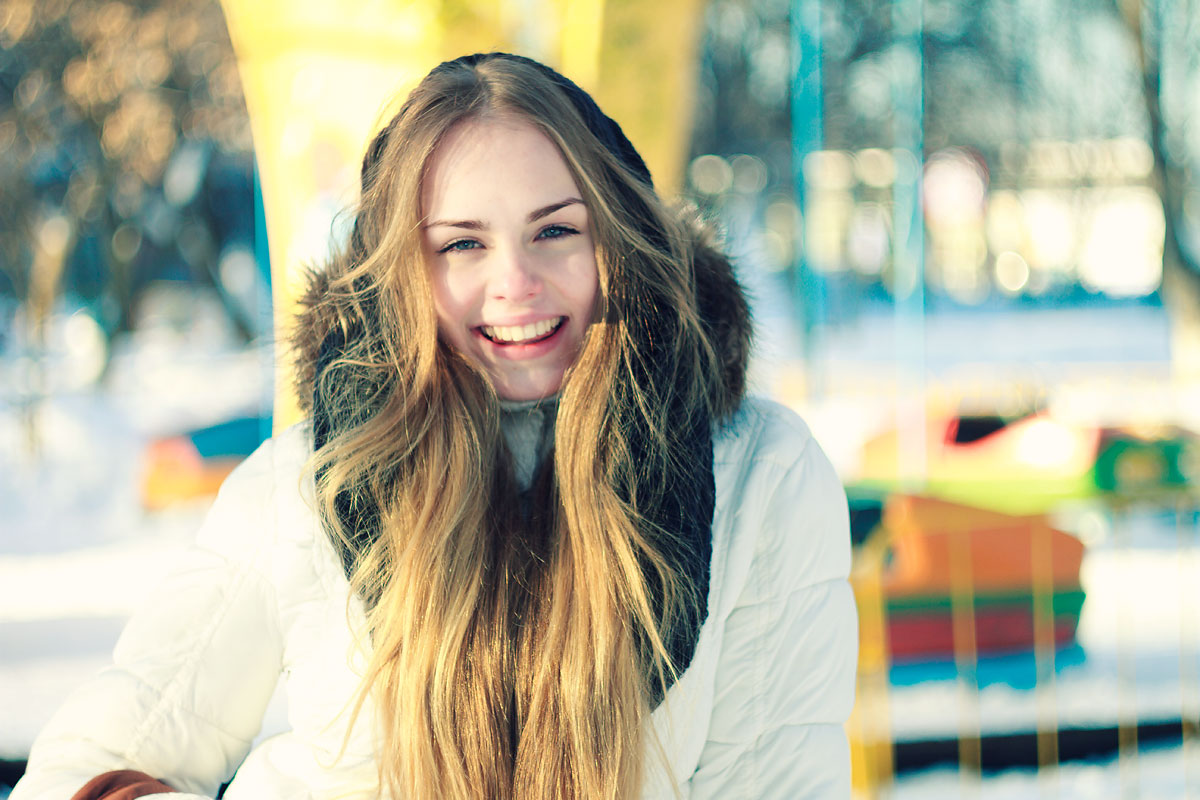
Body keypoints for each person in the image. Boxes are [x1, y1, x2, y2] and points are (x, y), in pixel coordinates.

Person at [11, 53, 857, 800]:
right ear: (402, 269)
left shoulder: (760, 476)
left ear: (619, 239)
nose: (515, 282)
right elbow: (85, 771)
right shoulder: (309, 483)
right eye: (461, 245)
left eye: (556, 231)